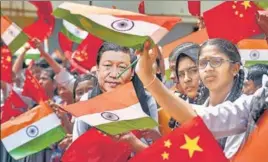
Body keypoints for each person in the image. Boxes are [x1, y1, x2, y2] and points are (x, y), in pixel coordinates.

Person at [135, 38, 268, 158]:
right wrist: (147, 76)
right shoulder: (250, 105)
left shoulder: (249, 108)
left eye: (216, 62)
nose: (208, 68)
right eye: (203, 63)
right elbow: (195, 120)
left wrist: (149, 78)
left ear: (235, 68)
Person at [72, 42, 159, 143]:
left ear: (131, 73)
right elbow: (77, 150)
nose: (114, 74)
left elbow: (153, 148)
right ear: (97, 69)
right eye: (107, 66)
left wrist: (135, 142)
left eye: (122, 67)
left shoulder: (145, 100)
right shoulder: (87, 101)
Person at [169, 42, 209, 129]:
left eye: (193, 70)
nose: (171, 76)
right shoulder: (183, 101)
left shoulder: (220, 102)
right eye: (180, 73)